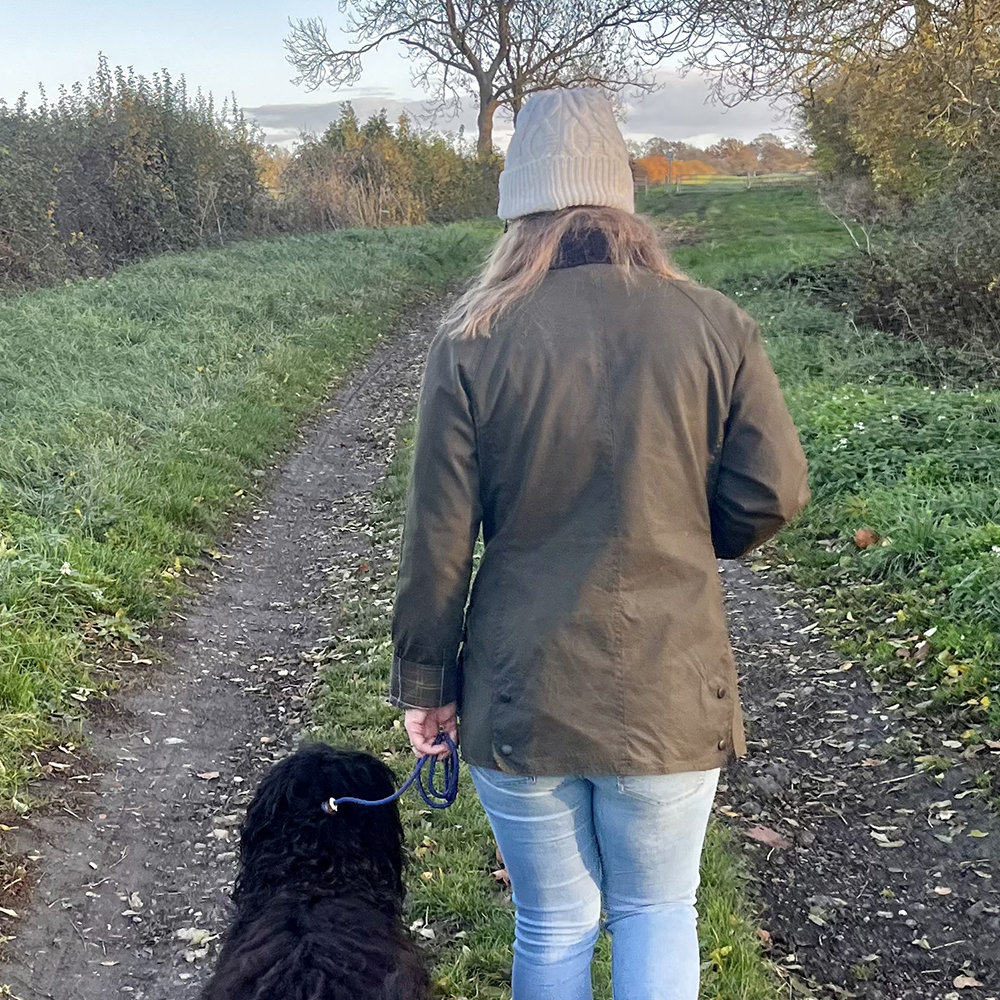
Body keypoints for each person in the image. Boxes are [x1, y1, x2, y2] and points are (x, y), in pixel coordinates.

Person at [389, 88, 809, 1000]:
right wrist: (689, 534)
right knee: (658, 910)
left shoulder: (472, 341)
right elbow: (773, 492)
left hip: (520, 685)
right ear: (624, 203)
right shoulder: (715, 323)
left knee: (553, 923)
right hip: (669, 675)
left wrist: (426, 681)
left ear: (517, 214)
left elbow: (438, 538)